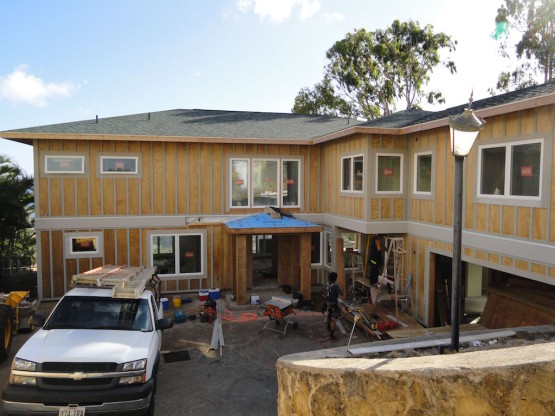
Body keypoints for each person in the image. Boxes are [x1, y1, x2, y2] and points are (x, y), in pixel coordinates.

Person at [324, 272, 342, 340]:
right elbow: (341, 294)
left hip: (327, 303)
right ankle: (332, 335)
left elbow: (325, 291)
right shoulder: (335, 286)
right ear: (335, 278)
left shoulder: (327, 284)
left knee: (329, 314)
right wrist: (341, 288)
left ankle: (328, 326)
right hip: (333, 304)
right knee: (333, 319)